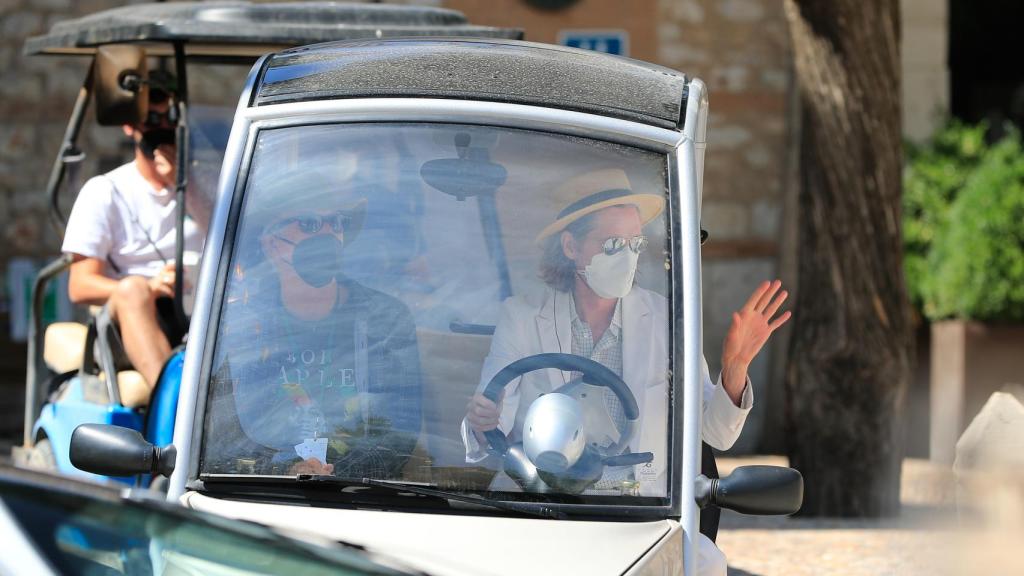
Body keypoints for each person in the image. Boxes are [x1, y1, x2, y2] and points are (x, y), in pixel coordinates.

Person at [461, 168, 790, 576]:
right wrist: (484, 418)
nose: (629, 255)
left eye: (635, 243)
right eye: (613, 243)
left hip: (641, 512)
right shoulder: (523, 316)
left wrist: (735, 368)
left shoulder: (667, 320)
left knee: (705, 566)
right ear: (571, 246)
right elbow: (494, 415)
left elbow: (716, 433)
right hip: (542, 500)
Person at [205, 170, 422, 479]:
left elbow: (398, 428)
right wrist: (285, 470)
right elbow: (223, 437)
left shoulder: (384, 318)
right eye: (308, 223)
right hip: (262, 494)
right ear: (271, 242)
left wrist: (337, 475)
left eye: (336, 223)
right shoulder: (240, 325)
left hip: (360, 494)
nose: (327, 234)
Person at [62, 72, 207, 404]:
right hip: (130, 320)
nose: (160, 129)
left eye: (168, 117)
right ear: (131, 125)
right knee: (132, 289)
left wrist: (186, 185)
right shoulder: (105, 191)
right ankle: (177, 406)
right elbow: (80, 285)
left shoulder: (206, 188)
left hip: (196, 311)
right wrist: (150, 286)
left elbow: (231, 240)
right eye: (150, 118)